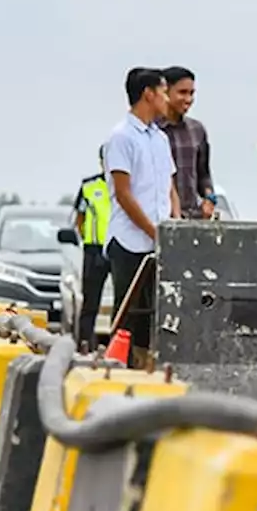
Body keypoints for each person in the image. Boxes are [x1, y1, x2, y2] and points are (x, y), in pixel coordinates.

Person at [105, 68, 178, 369]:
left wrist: (175, 221)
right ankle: (117, 372)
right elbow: (123, 194)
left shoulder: (160, 138)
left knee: (157, 316)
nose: (166, 99)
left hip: (159, 241)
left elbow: (169, 187)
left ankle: (147, 371)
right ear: (148, 93)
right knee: (127, 315)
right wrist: (152, 231)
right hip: (130, 240)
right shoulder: (121, 137)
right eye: (163, 92)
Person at [159, 66, 216, 219]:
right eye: (182, 93)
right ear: (165, 92)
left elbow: (203, 174)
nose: (188, 99)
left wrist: (209, 198)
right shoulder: (152, 131)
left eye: (191, 93)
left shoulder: (197, 130)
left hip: (192, 217)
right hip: (161, 218)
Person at [72, 146, 111, 349]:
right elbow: (79, 218)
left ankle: (122, 348)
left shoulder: (131, 185)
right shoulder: (89, 186)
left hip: (120, 248)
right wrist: (86, 238)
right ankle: (85, 344)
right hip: (94, 249)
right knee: (90, 303)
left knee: (125, 304)